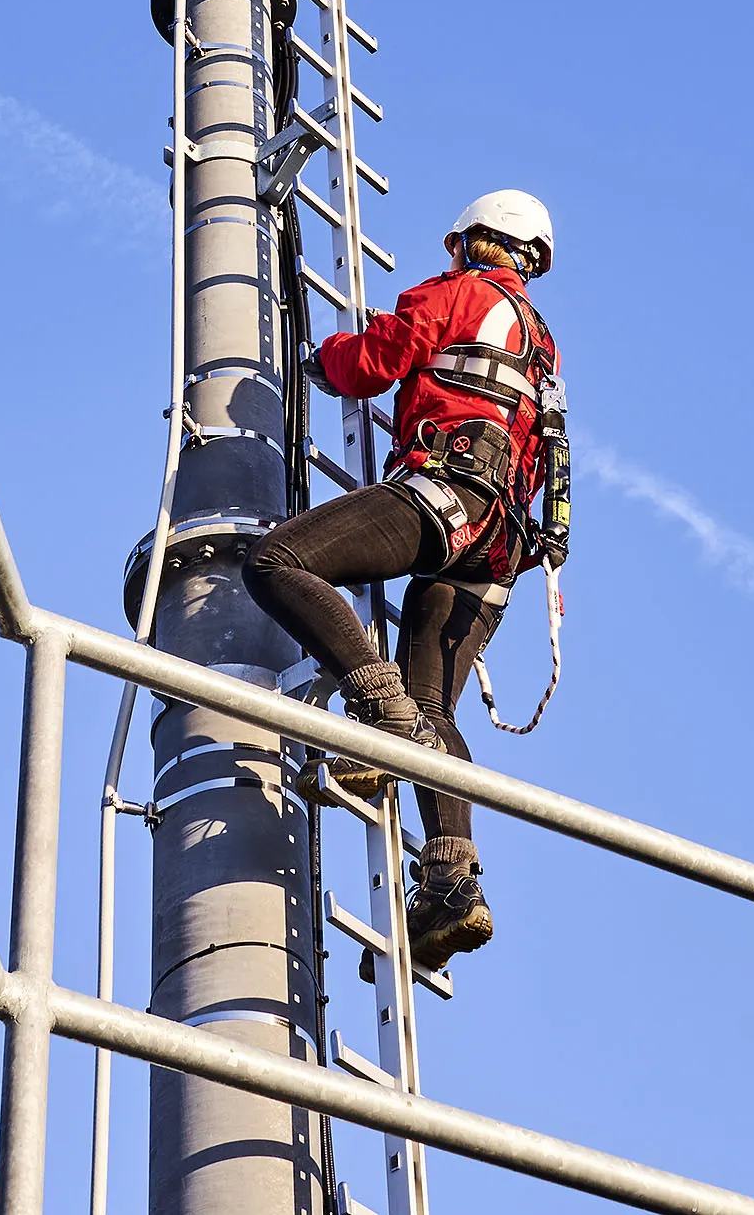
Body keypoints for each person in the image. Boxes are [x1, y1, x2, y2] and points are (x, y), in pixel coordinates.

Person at [242, 187, 568, 971]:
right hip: (499, 550)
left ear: (472, 243)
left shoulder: (457, 293)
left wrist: (319, 362)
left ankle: (376, 708)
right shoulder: (542, 344)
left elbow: (380, 358)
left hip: (445, 495)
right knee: (436, 711)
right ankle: (454, 886)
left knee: (276, 562)